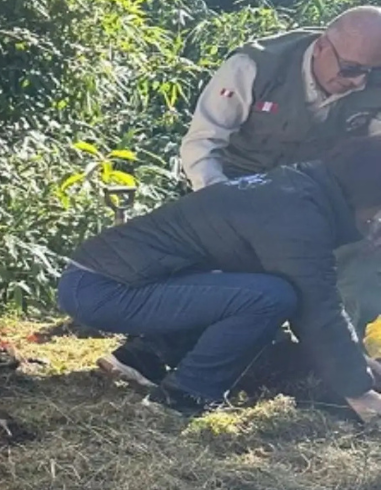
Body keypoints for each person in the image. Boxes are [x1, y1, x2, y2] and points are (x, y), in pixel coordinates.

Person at [98, 6, 381, 387]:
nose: (358, 82)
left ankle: (340, 363)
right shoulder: (254, 65)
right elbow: (202, 144)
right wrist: (227, 208)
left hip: (318, 200)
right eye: (350, 69)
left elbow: (372, 162)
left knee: (364, 248)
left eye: (370, 72)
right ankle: (150, 351)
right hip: (233, 189)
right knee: (238, 264)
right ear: (321, 47)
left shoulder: (372, 84)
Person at [57, 137, 381, 419]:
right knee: (271, 297)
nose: (373, 222)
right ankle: (185, 395)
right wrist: (359, 391)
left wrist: (358, 363)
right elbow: (316, 308)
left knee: (252, 288)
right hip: (105, 289)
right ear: (366, 193)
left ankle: (142, 358)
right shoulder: (298, 214)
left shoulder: (299, 190)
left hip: (105, 279)